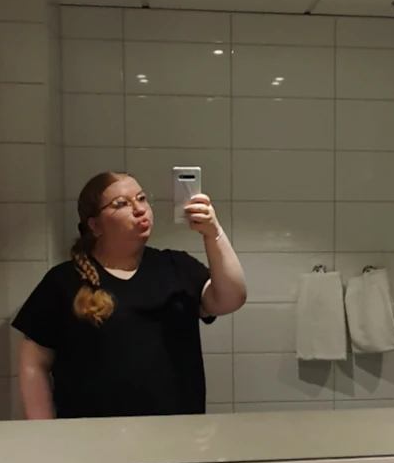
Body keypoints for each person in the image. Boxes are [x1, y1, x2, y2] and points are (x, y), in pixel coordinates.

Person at [14, 171, 247, 419]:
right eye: (121, 204)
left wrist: (213, 233)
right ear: (95, 225)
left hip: (176, 433)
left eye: (142, 198)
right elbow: (34, 363)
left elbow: (232, 298)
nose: (139, 209)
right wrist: (44, 431)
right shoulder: (63, 281)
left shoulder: (177, 267)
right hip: (89, 436)